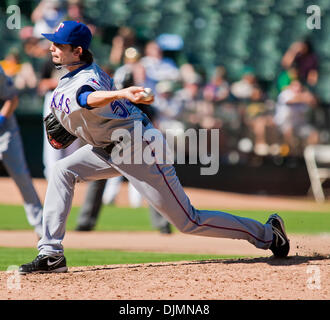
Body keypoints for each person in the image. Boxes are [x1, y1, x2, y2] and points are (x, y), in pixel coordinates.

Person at [19, 21, 290, 274]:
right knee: (62, 170)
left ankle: (268, 233)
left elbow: (88, 97)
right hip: (107, 147)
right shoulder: (72, 75)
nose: (52, 47)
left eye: (59, 44)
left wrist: (120, 94)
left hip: (138, 147)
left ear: (77, 51)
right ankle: (51, 254)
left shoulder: (86, 78)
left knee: (189, 222)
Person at [0, 65, 43, 238]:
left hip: (5, 130)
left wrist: (2, 119)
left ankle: (41, 228)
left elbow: (12, 99)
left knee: (21, 176)